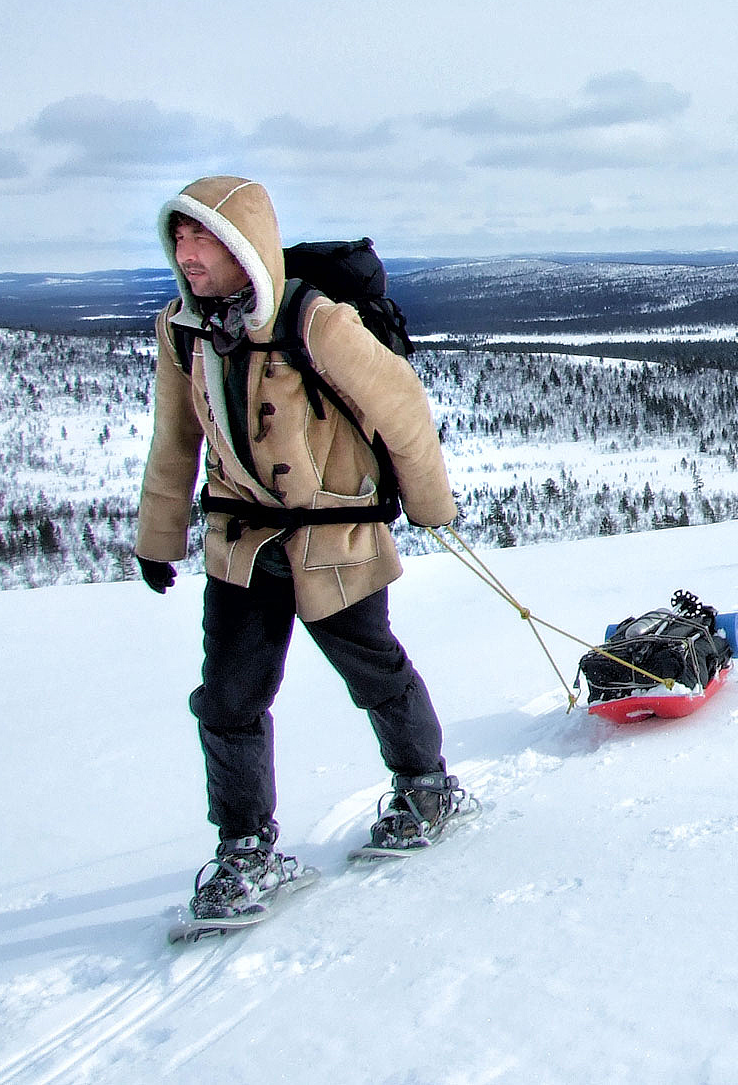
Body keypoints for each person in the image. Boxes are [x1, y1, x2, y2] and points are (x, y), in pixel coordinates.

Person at [135, 175, 473, 921]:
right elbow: (175, 439)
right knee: (228, 697)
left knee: (372, 668)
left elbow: (401, 407)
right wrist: (157, 536)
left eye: (204, 237)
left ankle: (426, 785)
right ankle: (245, 847)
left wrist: (428, 504)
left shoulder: (316, 321)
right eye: (180, 237)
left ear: (244, 244)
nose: (188, 253)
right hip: (242, 541)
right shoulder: (181, 328)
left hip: (334, 535)